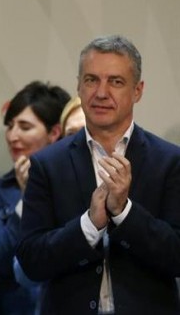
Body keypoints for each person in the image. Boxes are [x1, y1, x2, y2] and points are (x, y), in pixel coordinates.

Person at [17, 35, 180, 314]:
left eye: (116, 82)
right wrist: (89, 224)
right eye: (92, 80)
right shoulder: (47, 164)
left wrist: (125, 213)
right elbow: (32, 261)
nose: (101, 93)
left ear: (138, 90)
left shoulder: (170, 161)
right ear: (78, 86)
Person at [0, 81, 70, 314]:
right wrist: (28, 199)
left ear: (54, 133)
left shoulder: (77, 188)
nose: (12, 136)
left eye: (25, 127)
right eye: (10, 126)